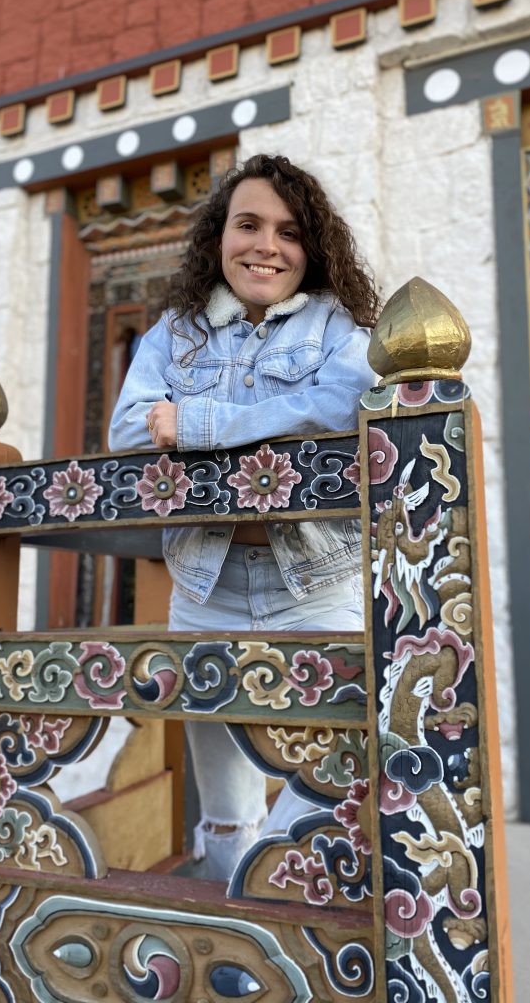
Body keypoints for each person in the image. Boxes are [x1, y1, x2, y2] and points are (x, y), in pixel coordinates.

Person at [109, 153, 379, 881]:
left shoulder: (338, 327)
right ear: (217, 237)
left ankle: (277, 905)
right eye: (248, 224)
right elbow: (130, 430)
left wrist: (196, 424)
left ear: (312, 248)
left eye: (289, 232)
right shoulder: (175, 331)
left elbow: (342, 409)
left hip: (317, 581)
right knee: (225, 800)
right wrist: (261, 424)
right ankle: (236, 952)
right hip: (205, 584)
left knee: (338, 769)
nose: (266, 245)